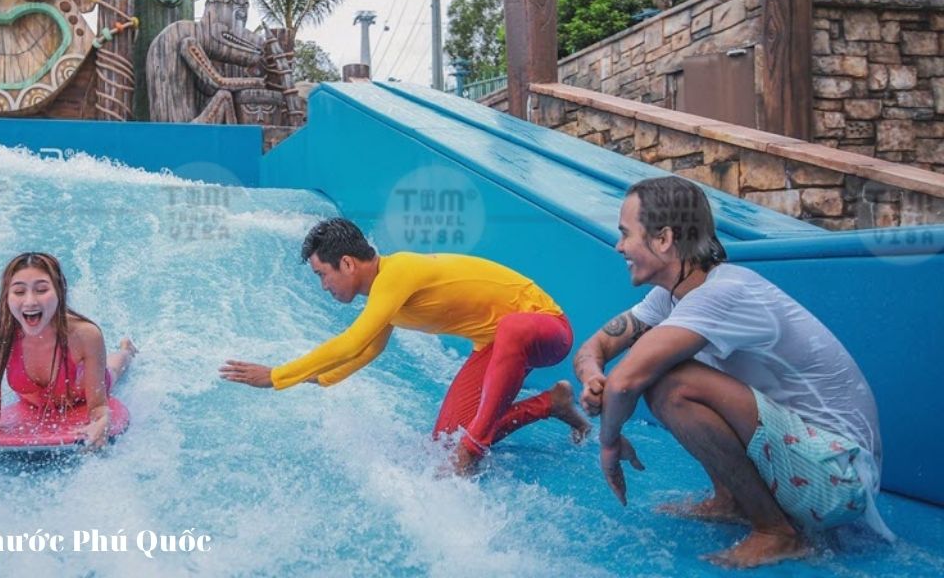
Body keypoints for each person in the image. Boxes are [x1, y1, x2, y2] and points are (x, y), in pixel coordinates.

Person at [574, 176, 887, 568]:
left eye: (626, 234)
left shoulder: (723, 294)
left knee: (669, 381)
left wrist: (608, 444)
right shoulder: (672, 296)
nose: (619, 246)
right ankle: (732, 500)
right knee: (657, 361)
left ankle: (777, 532)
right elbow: (596, 347)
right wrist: (592, 378)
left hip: (840, 478)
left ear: (664, 239)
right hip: (810, 465)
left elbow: (626, 382)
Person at [220, 218, 589, 474]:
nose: (324, 286)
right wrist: (312, 379)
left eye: (323, 275)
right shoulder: (385, 294)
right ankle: (550, 403)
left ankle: (472, 449)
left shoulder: (396, 273)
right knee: (445, 440)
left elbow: (352, 341)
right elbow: (366, 351)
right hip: (495, 345)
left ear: (346, 263)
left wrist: (276, 376)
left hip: (547, 328)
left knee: (505, 339)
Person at [0, 252, 136, 455]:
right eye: (19, 292)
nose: (30, 301)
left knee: (113, 369)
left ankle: (127, 350)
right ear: (6, 297)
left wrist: (103, 421)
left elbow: (98, 407)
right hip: (34, 402)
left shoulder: (85, 335)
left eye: (42, 290)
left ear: (60, 292)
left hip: (82, 393)